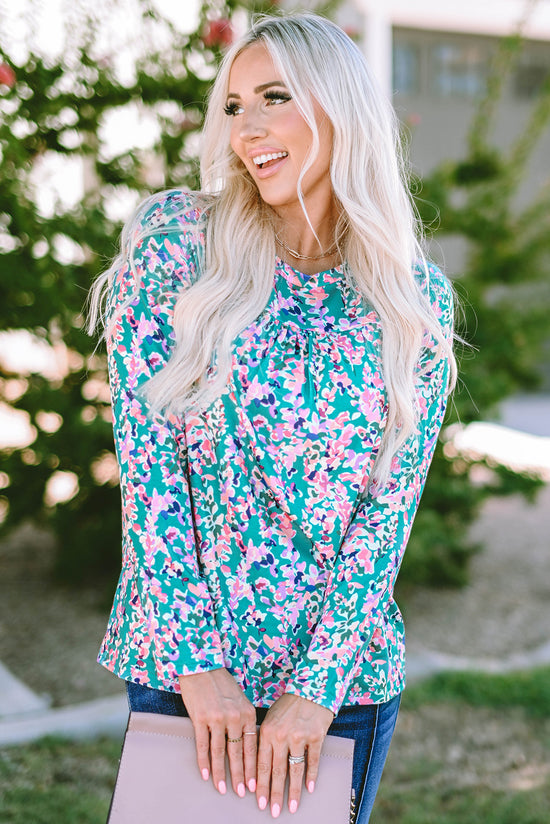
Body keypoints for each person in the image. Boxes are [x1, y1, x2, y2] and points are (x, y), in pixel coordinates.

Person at [87, 11, 456, 823]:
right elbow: (148, 469)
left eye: (275, 98)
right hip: (189, 676)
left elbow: (384, 518)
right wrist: (197, 669)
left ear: (337, 109)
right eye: (234, 105)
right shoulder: (179, 242)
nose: (247, 127)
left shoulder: (412, 300)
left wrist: (315, 693)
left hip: (337, 688)